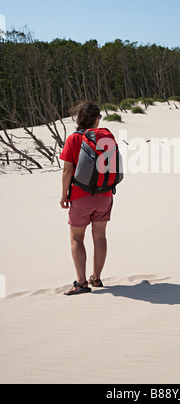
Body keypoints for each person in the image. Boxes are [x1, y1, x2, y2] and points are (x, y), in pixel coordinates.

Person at [59, 100, 113, 296]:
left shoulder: (74, 139)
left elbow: (67, 170)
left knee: (76, 238)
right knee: (100, 237)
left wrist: (64, 194)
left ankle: (81, 283)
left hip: (81, 195)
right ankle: (96, 277)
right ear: (97, 119)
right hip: (105, 194)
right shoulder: (107, 135)